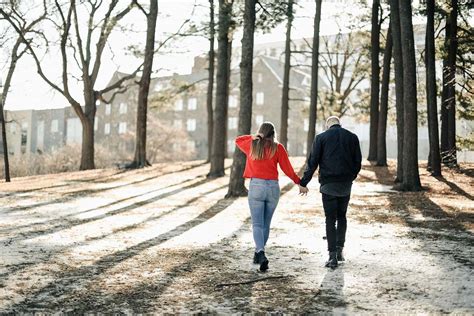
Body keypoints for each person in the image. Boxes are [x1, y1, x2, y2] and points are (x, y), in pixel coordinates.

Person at [235, 122, 301, 272]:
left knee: (257, 224)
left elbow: (238, 140)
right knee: (265, 224)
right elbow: (288, 169)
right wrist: (299, 182)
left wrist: (253, 137)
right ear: (273, 134)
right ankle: (259, 253)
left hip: (256, 187)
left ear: (261, 132)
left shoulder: (252, 145)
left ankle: (261, 252)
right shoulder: (278, 148)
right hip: (272, 188)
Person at [298, 116, 362, 268]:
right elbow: (357, 162)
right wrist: (350, 177)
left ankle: (332, 256)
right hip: (345, 185)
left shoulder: (321, 138)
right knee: (342, 217)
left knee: (330, 219)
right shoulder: (352, 137)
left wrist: (304, 182)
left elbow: (312, 162)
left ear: (328, 125)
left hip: (328, 185)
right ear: (339, 124)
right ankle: (340, 251)